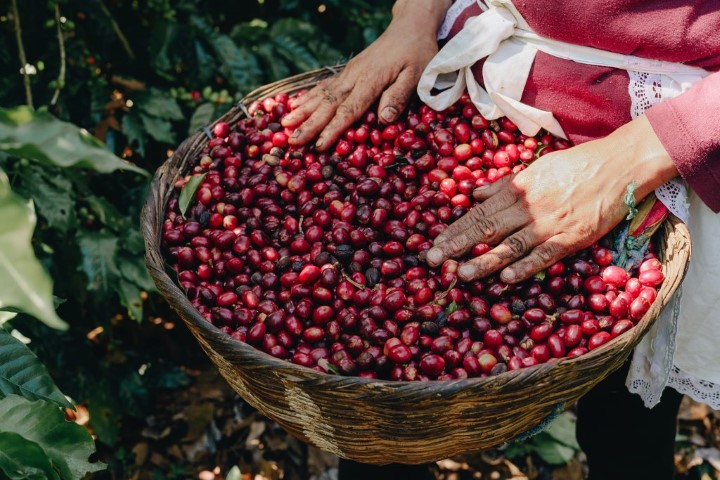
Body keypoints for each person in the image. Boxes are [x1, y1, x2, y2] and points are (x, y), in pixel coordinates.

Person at [282, 1, 720, 479]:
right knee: (384, 428)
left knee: (628, 430)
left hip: (657, 148)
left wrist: (632, 156)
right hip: (478, 95)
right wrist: (415, 16)